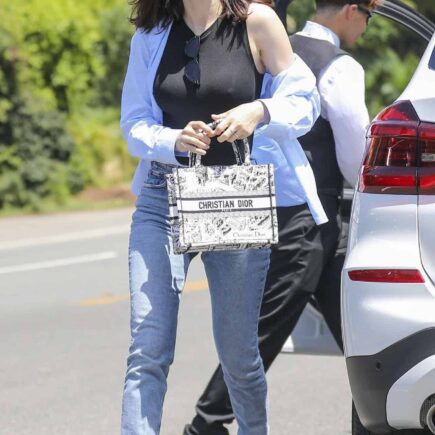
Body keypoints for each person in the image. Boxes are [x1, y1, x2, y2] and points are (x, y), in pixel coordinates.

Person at [119, 0, 327, 434]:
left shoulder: (257, 22)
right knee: (147, 349)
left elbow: (305, 100)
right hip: (164, 196)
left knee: (239, 356)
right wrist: (172, 139)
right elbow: (134, 122)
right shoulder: (152, 34)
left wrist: (261, 110)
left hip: (235, 198)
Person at [183, 1, 380, 434]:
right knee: (265, 328)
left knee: (361, 338)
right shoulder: (339, 67)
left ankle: (376, 422)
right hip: (308, 216)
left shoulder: (271, 44)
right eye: (369, 15)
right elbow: (356, 157)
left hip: (269, 203)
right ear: (351, 10)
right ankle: (206, 423)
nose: (368, 26)